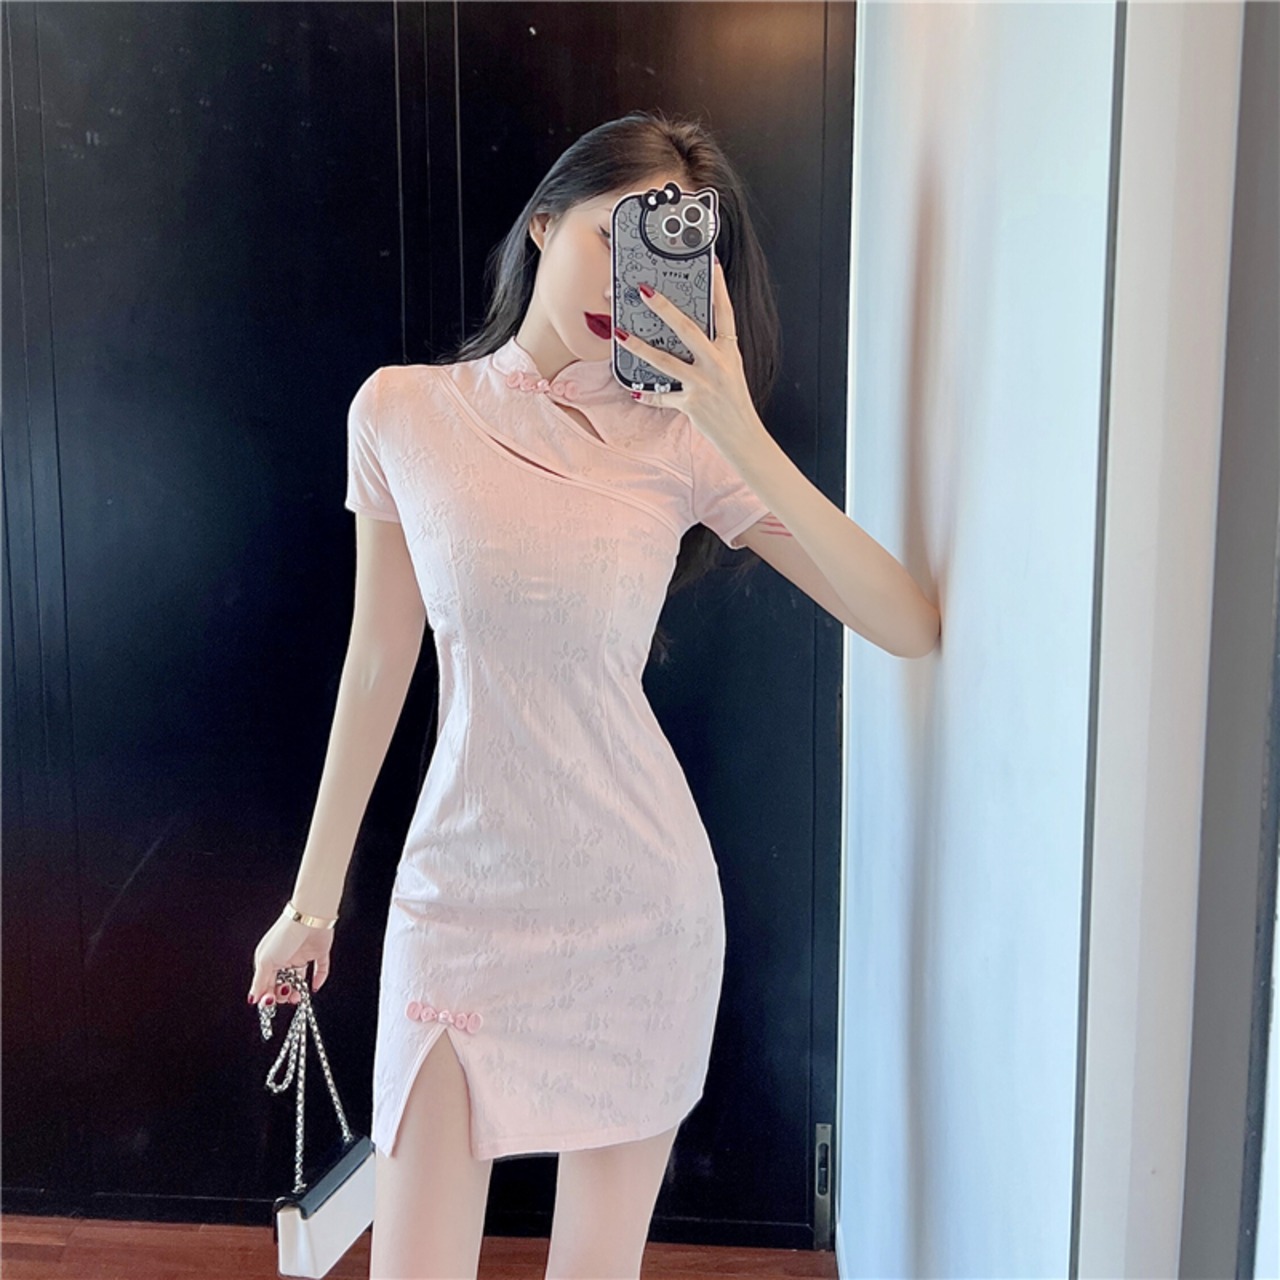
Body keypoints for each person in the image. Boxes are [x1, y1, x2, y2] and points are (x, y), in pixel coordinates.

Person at [247, 109, 940, 1280]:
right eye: (614, 235)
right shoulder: (400, 411)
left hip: (637, 911)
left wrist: (733, 425)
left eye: (666, 253)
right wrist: (313, 903)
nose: (631, 277)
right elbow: (377, 660)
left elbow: (903, 621)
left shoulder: (681, 445)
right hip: (456, 902)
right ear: (542, 222)